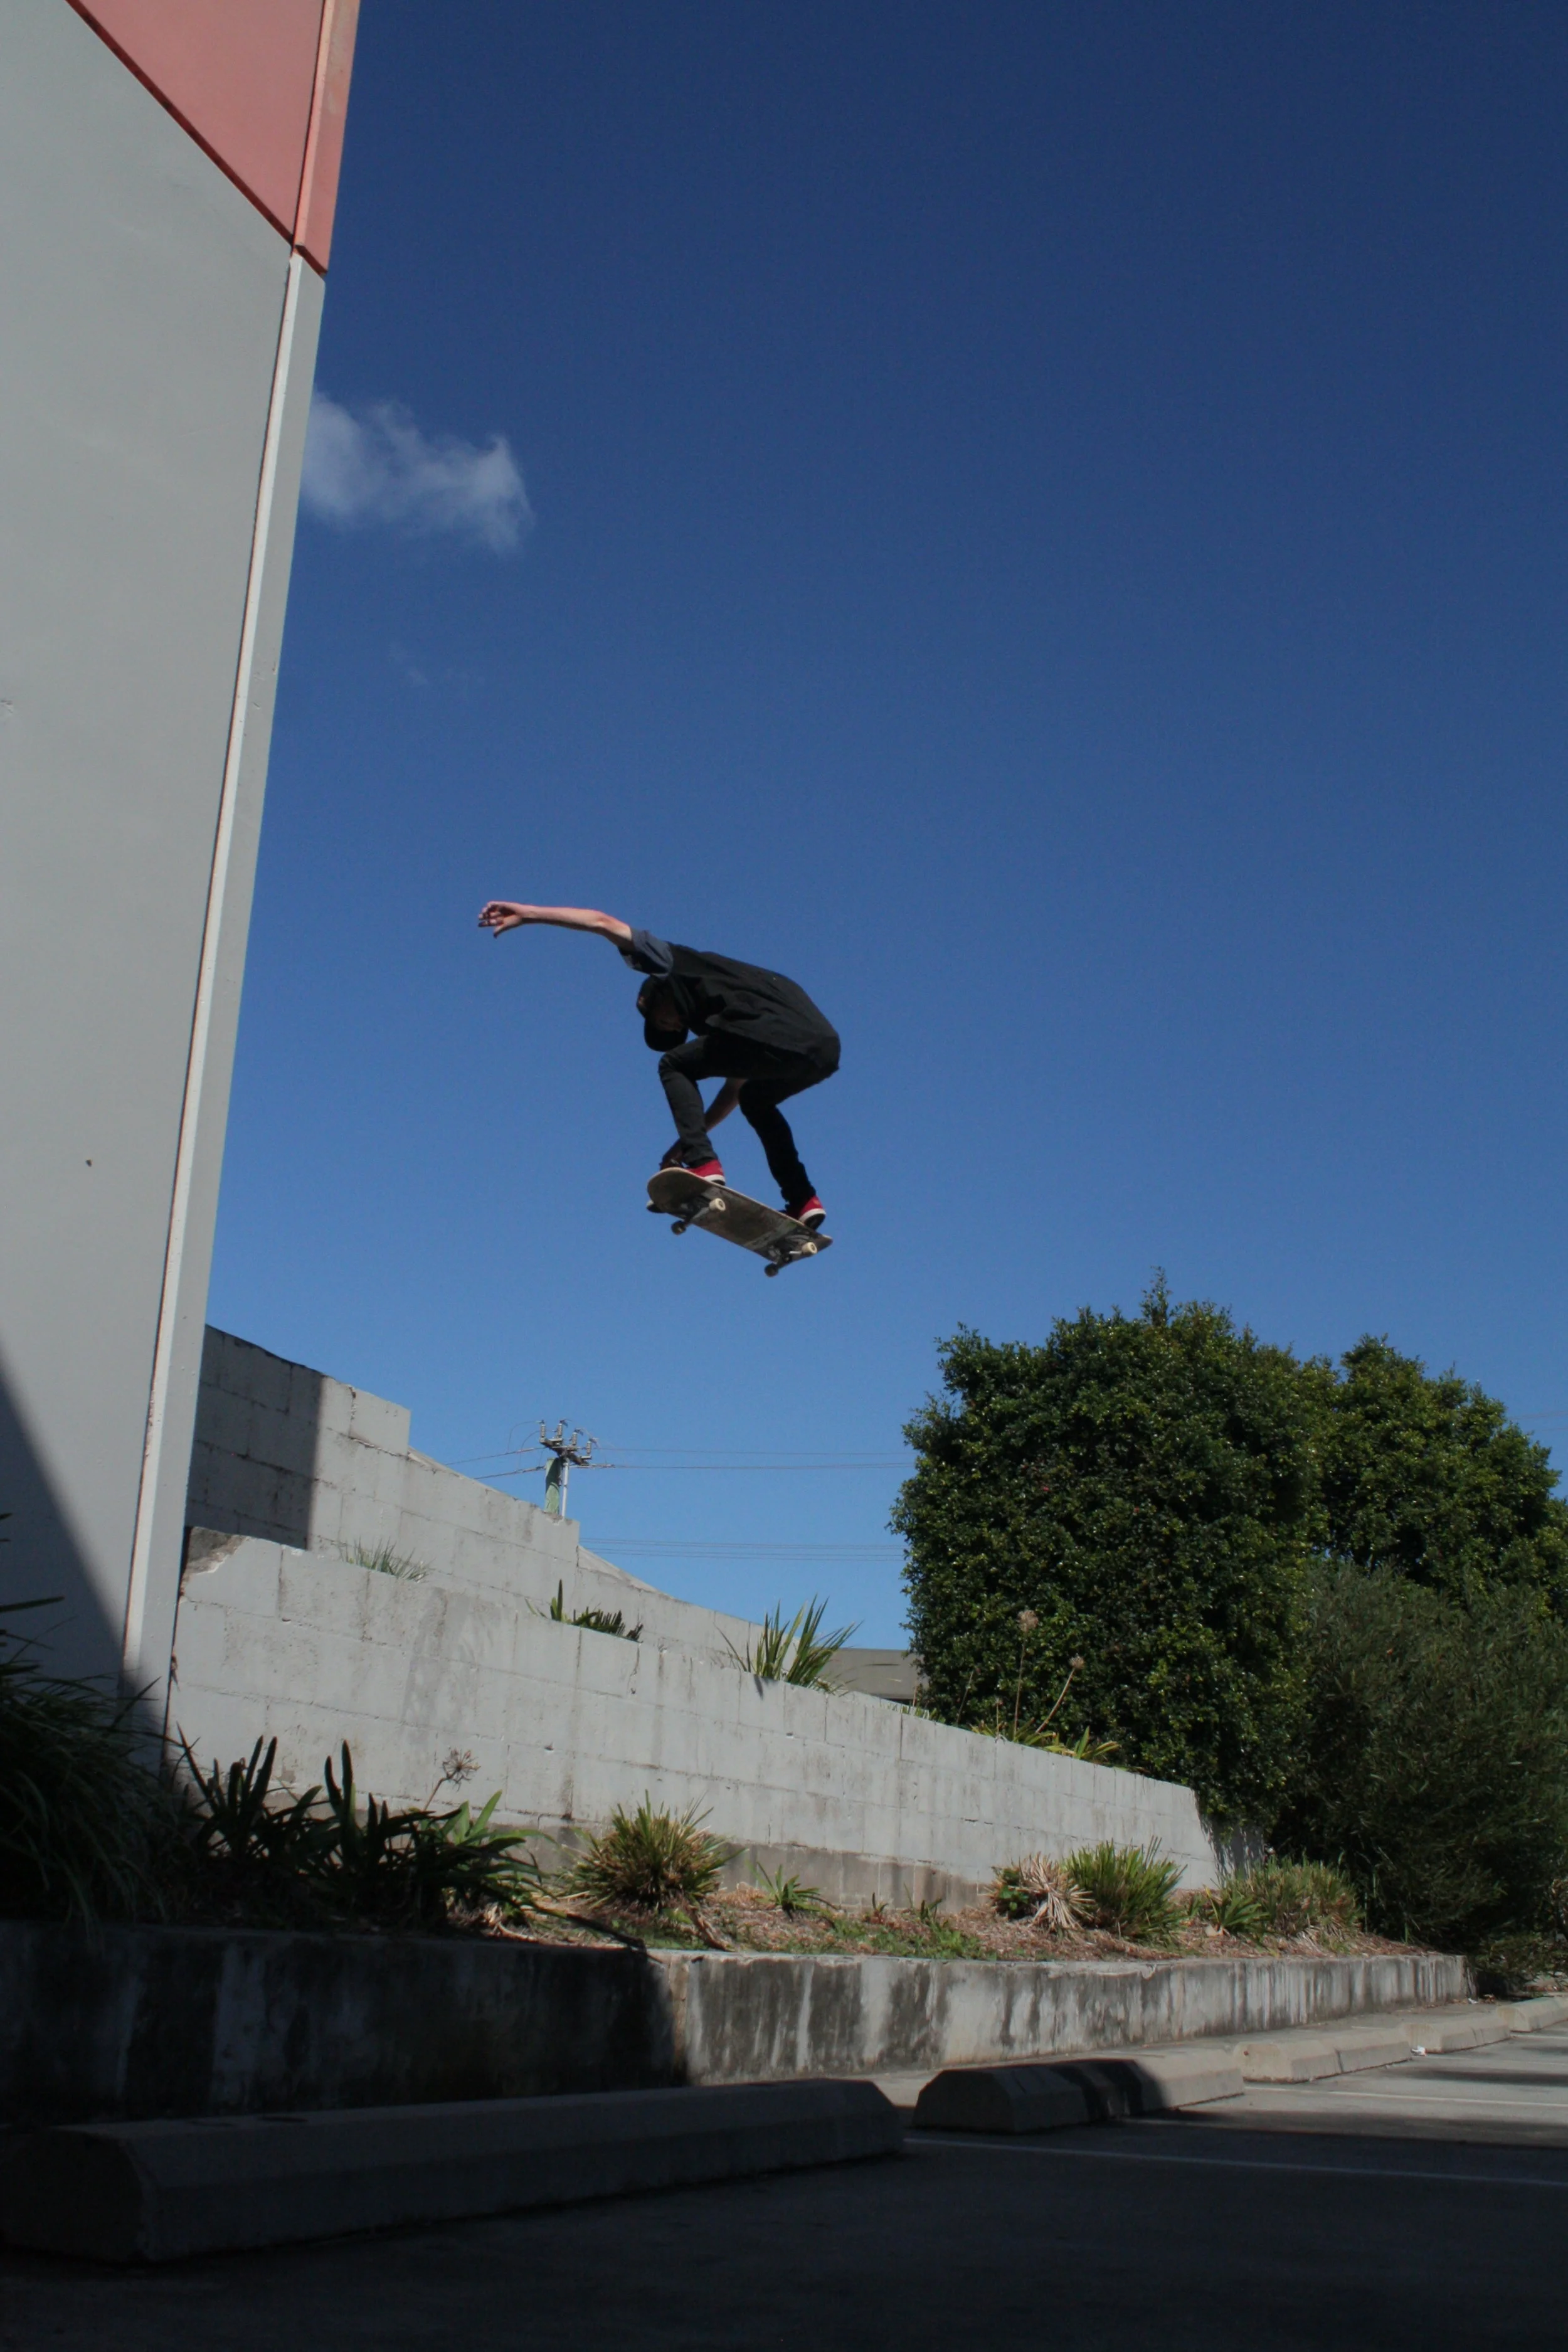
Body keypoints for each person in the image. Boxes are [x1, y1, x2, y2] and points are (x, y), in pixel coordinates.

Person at [477, 901, 839, 1227]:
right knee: (756, 1101)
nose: (670, 1025)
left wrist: (528, 914)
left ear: (658, 995)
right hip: (821, 1049)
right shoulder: (737, 1001)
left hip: (780, 1035)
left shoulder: (672, 965)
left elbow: (602, 922)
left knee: (673, 1065)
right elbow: (734, 1089)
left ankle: (706, 1164)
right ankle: (803, 1199)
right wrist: (690, 1138)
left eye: (660, 1019)